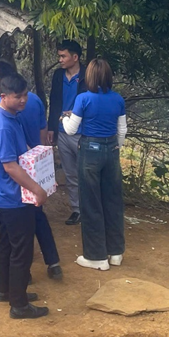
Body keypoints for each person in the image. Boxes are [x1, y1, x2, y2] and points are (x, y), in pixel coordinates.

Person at [0, 60, 62, 280]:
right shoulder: (34, 100)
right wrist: (43, 169)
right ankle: (52, 261)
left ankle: (21, 277)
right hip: (34, 170)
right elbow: (43, 134)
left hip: (15, 181)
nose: (22, 99)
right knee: (38, 218)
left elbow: (0, 152)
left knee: (15, 235)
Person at [0, 73, 50, 320]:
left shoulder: (11, 116)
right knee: (22, 251)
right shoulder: (3, 126)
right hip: (15, 197)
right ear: (3, 96)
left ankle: (6, 291)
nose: (24, 100)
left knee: (7, 245)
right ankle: (19, 304)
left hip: (6, 195)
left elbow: (20, 151)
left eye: (25, 95)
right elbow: (10, 166)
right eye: (18, 96)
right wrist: (37, 189)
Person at [62, 58, 127, 271]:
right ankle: (115, 252)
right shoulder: (117, 99)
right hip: (111, 150)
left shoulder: (83, 98)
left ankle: (96, 256)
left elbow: (71, 130)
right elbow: (122, 130)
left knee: (91, 203)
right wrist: (114, 147)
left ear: (89, 77)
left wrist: (64, 118)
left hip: (90, 151)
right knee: (112, 200)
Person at [48, 39, 85, 225]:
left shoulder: (88, 75)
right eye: (59, 56)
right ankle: (77, 210)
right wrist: (51, 128)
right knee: (70, 174)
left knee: (86, 173)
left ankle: (91, 209)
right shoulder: (58, 75)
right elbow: (54, 101)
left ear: (75, 57)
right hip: (62, 131)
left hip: (83, 132)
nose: (60, 60)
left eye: (63, 56)